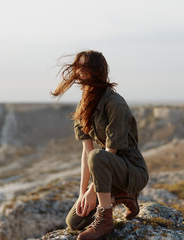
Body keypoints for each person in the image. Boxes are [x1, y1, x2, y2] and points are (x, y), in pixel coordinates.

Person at [51, 50, 149, 240]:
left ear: (95, 70)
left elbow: (109, 153)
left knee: (98, 156)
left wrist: (92, 190)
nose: (78, 71)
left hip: (132, 171)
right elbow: (86, 151)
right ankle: (122, 197)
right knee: (75, 221)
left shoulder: (114, 103)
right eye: (77, 66)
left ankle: (106, 221)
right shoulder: (83, 106)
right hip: (107, 173)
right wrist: (82, 194)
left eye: (83, 67)